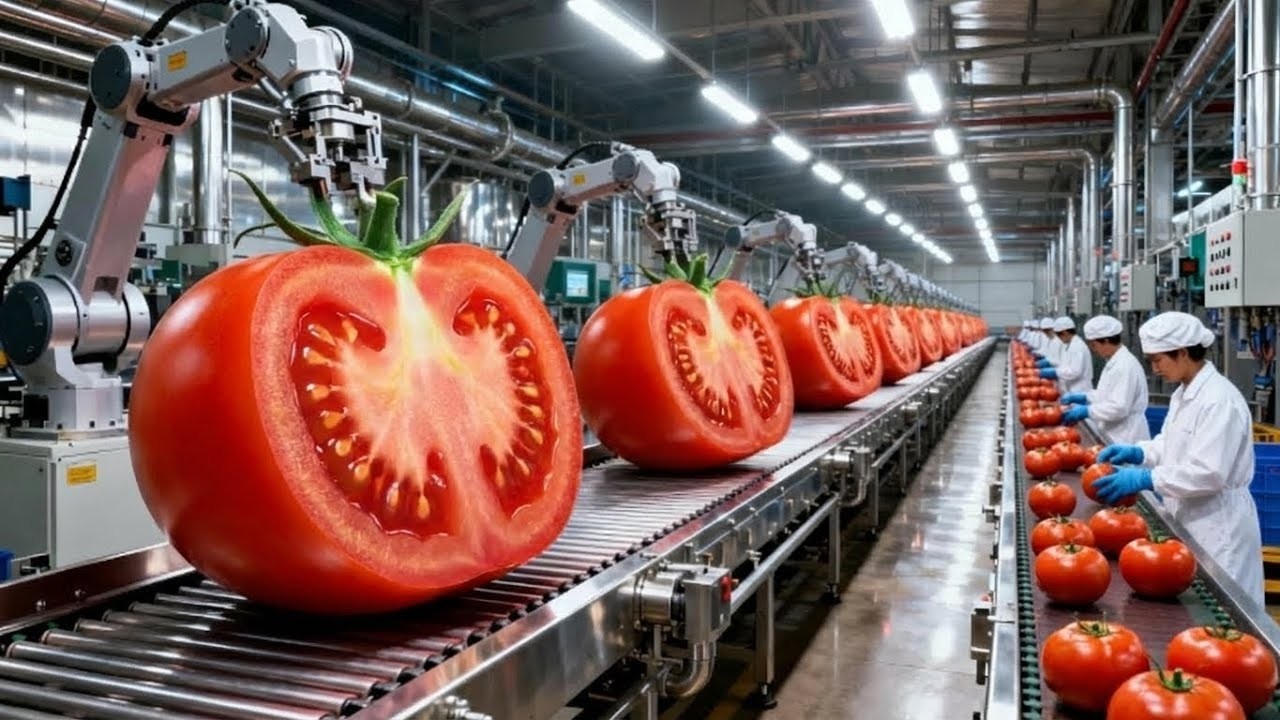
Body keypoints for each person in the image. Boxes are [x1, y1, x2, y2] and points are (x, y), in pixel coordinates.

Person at [1093, 311, 1264, 608]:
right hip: (1190, 512)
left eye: (1158, 360)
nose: (1154, 369)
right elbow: (1171, 444)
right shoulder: (1184, 392)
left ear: (1183, 353)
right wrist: (1140, 452)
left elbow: (1210, 473)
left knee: (1223, 612)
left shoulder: (1219, 400)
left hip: (1218, 526)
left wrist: (1147, 478)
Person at [1060, 315, 1150, 444]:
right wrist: (1085, 397)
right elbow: (1107, 395)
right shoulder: (1114, 361)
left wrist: (1088, 411)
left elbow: (1119, 408)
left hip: (1126, 436)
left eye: (1094, 345)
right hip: (1114, 433)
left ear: (1106, 341)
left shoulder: (1125, 365)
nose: (1093, 350)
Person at [1039, 316, 1092, 394]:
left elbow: (1075, 371)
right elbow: (1065, 365)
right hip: (1072, 389)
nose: (1059, 339)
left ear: (1065, 333)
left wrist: (1055, 372)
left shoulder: (1078, 346)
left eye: (1059, 336)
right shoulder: (1070, 345)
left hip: (1080, 390)